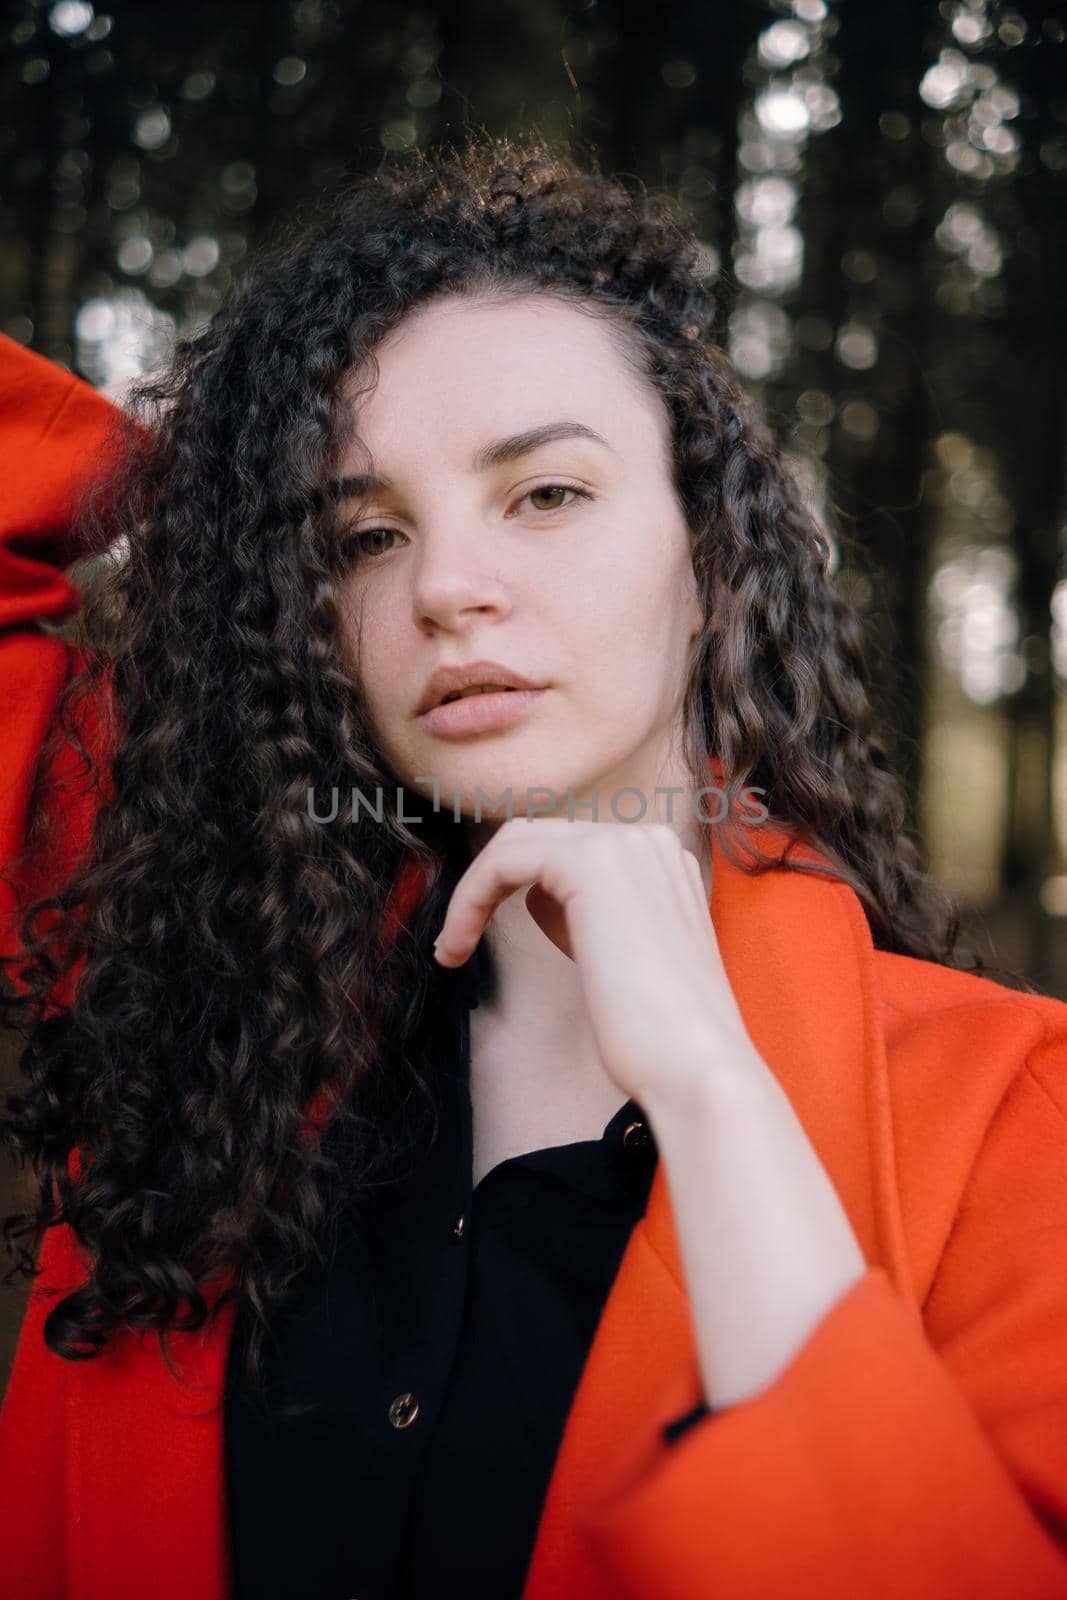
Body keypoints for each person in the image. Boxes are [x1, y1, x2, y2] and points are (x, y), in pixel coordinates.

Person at [0, 130, 1065, 1600]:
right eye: (363, 534)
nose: (446, 586)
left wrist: (711, 1087)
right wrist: (211, 495)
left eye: (547, 494)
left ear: (714, 560)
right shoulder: (208, 1020)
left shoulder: (1018, 1117)